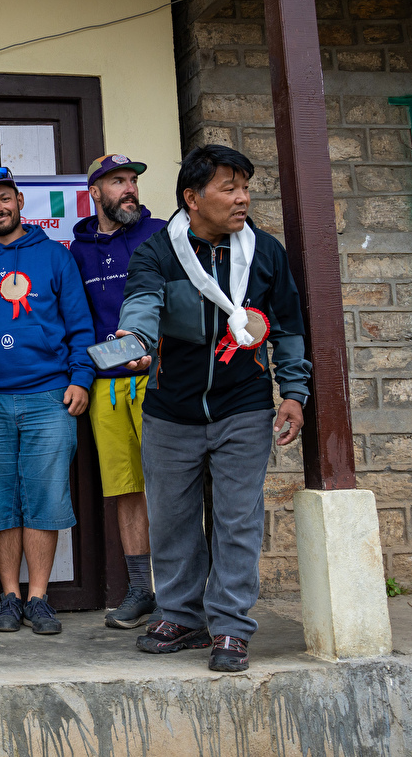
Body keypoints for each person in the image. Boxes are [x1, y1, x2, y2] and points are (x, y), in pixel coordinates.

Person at [117, 144, 309, 673]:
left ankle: (229, 627)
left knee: (237, 519)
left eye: (245, 186)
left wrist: (293, 394)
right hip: (170, 408)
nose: (243, 198)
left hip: (243, 405)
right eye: (229, 188)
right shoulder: (158, 251)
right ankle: (181, 616)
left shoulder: (264, 252)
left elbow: (289, 328)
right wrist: (135, 339)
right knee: (173, 519)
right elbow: (141, 305)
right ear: (192, 198)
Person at [0, 167, 94, 637]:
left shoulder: (54, 257)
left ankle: (38, 598)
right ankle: (8, 597)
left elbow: (80, 324)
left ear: (20, 201)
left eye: (4, 199)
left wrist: (81, 378)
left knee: (44, 499)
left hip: (49, 397)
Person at [70, 154, 166, 630]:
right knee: (126, 490)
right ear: (95, 191)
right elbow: (77, 321)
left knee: (170, 486)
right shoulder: (77, 249)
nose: (129, 189)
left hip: (159, 379)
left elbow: (184, 301)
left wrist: (158, 351)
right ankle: (141, 591)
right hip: (106, 387)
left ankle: (176, 591)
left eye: (132, 181)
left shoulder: (163, 233)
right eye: (118, 182)